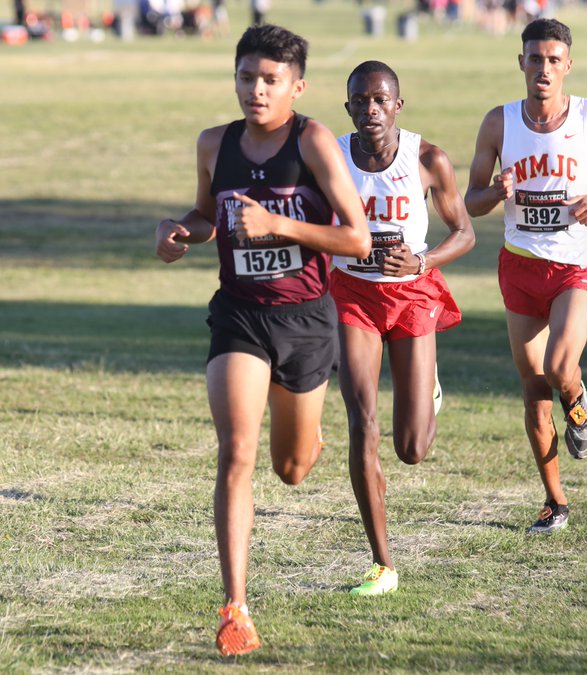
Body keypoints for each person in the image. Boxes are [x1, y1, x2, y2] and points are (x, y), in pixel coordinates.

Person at [154, 24, 371, 656]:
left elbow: (357, 239)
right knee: (236, 453)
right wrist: (180, 232)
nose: (256, 90)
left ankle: (306, 436)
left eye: (270, 80)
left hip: (305, 320)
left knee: (292, 468)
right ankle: (236, 608)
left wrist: (276, 223)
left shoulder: (314, 143)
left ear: (296, 86)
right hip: (240, 316)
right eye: (246, 77)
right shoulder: (214, 144)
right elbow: (205, 213)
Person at [464, 18, 587, 533]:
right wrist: (496, 192)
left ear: (567, 64)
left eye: (553, 60)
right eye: (534, 59)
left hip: (573, 267)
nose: (543, 68)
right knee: (532, 391)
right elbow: (471, 202)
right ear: (521, 62)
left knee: (560, 369)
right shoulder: (499, 123)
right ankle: (555, 501)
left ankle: (578, 403)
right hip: (519, 267)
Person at [332, 60, 476, 595]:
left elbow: (464, 234)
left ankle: (428, 386)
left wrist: (421, 263)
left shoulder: (427, 158)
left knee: (412, 448)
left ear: (397, 104)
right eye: (360, 101)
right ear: (348, 108)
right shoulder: (333, 158)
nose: (370, 109)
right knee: (362, 422)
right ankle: (382, 564)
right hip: (355, 295)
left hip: (412, 294)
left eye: (380, 99)